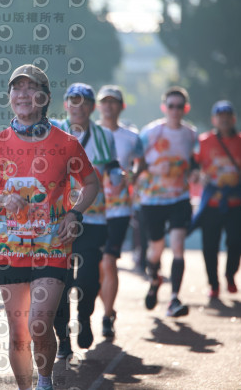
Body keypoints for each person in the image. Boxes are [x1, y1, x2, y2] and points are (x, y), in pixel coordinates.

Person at [0, 65, 99, 390]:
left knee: (40, 323)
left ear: (45, 97)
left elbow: (91, 183)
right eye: (17, 88)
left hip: (52, 246)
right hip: (9, 248)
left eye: (31, 88)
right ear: (9, 96)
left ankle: (45, 382)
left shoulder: (66, 143)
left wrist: (75, 214)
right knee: (19, 333)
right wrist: (2, 199)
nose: (23, 94)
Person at [51, 83, 119, 356]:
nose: (78, 107)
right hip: (58, 220)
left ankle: (85, 316)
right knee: (61, 281)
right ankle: (63, 337)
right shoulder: (52, 130)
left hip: (93, 219)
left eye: (84, 102)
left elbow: (112, 167)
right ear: (65, 104)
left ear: (92, 107)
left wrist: (120, 177)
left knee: (89, 279)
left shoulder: (104, 136)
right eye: (73, 101)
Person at [138, 86, 198, 317]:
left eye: (179, 106)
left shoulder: (190, 134)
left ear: (186, 108)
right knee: (155, 250)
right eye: (171, 106)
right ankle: (155, 280)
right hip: (152, 199)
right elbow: (137, 161)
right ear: (164, 107)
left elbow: (194, 161)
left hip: (179, 198)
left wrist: (195, 173)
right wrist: (151, 170)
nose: (175, 110)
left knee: (178, 246)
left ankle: (174, 299)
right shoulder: (151, 132)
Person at [192, 101, 241, 298]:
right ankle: (213, 284)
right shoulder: (204, 141)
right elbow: (194, 165)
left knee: (236, 243)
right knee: (209, 246)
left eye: (228, 117)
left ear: (233, 119)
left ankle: (230, 275)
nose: (224, 121)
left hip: (234, 202)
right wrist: (198, 176)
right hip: (212, 202)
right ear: (214, 120)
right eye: (220, 117)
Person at [96, 85, 144, 339]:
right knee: (94, 267)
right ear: (98, 106)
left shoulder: (131, 137)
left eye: (113, 101)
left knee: (109, 261)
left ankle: (107, 316)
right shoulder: (88, 133)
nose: (108, 106)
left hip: (120, 209)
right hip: (92, 209)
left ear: (121, 106)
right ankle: (106, 305)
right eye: (104, 101)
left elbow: (141, 161)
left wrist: (133, 175)